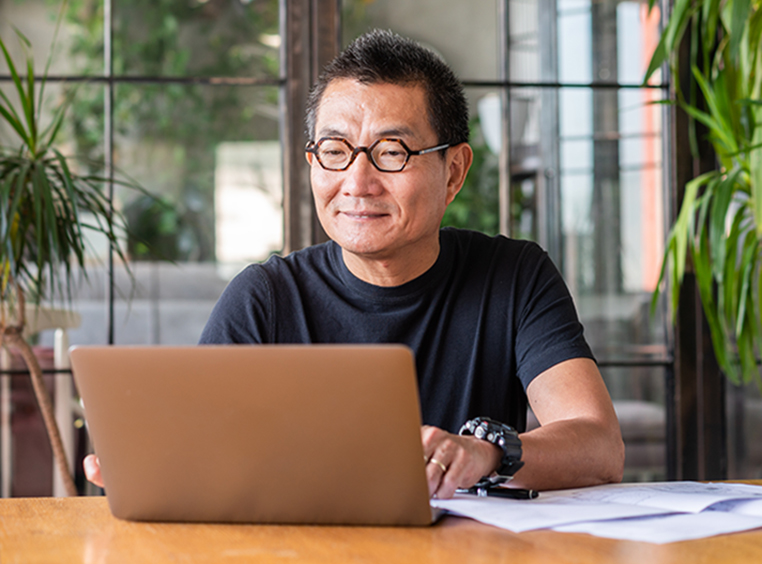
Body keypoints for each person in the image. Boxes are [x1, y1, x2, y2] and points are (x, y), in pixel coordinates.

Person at [85, 30, 623, 498]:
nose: (357, 183)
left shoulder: (514, 275)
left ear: (454, 172)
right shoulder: (266, 297)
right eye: (335, 150)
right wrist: (152, 466)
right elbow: (202, 453)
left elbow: (598, 447)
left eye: (392, 152)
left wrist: (487, 453)